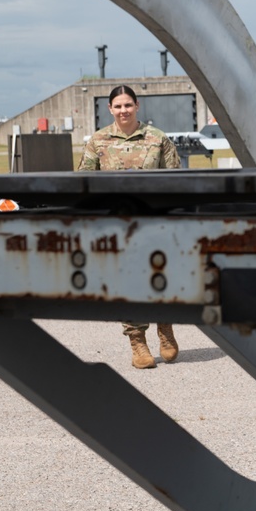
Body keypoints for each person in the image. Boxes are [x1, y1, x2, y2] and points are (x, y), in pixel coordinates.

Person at [78, 85, 182, 369]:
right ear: (110, 109)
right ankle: (137, 341)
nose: (123, 110)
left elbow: (177, 182)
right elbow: (83, 183)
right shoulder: (98, 141)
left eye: (128, 105)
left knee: (162, 275)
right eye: (118, 106)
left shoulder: (157, 139)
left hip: (155, 222)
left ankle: (166, 327)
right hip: (117, 225)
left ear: (137, 106)